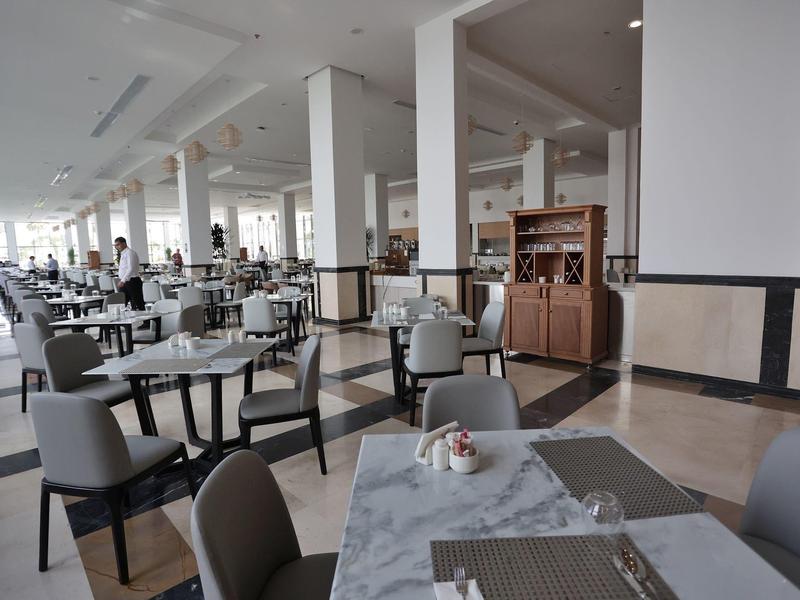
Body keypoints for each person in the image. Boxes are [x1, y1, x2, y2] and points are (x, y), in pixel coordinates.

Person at [114, 237, 144, 310]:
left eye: (118, 244)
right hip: (125, 282)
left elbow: (131, 268)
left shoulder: (130, 253)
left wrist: (123, 280)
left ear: (124, 243)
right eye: (115, 245)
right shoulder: (123, 253)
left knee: (137, 304)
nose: (116, 247)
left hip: (132, 281)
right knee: (122, 303)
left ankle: (143, 321)